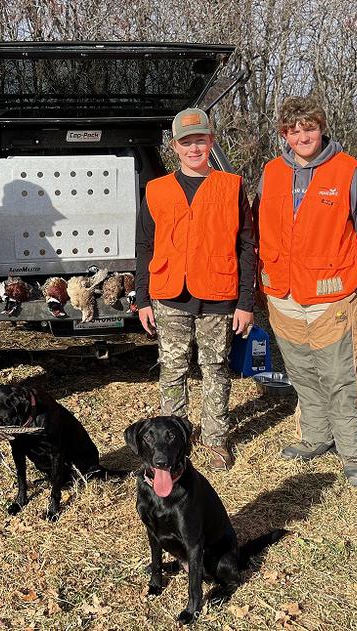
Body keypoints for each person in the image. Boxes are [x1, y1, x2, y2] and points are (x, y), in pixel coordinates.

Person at [256, 95, 357, 487]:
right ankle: (315, 437)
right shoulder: (271, 172)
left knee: (340, 375)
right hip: (282, 293)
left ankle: (354, 452)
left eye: (309, 128)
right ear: (285, 135)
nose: (302, 136)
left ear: (321, 128)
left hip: (333, 294)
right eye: (294, 131)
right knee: (302, 372)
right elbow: (258, 229)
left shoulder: (349, 172)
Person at [136, 108, 256, 471]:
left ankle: (216, 439)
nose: (193, 148)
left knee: (215, 368)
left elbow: (248, 246)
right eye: (186, 142)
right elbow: (144, 246)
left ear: (211, 142)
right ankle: (172, 442)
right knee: (172, 368)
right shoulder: (156, 190)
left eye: (200, 140)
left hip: (219, 294)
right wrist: (143, 298)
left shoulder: (231, 186)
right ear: (175, 146)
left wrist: (246, 302)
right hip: (169, 294)